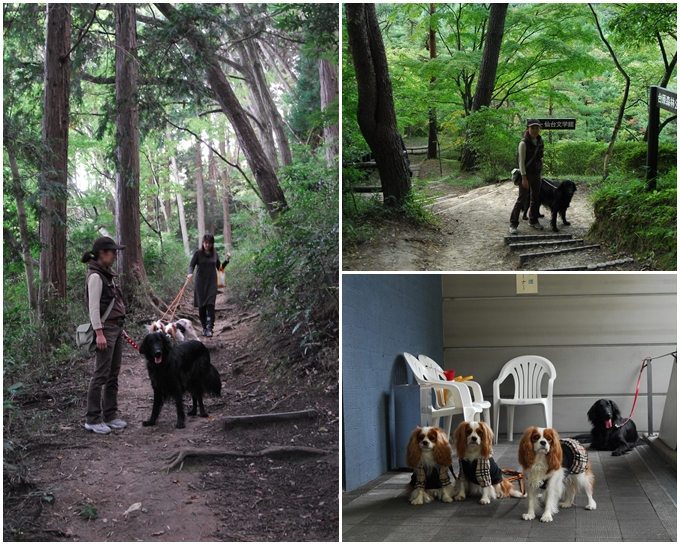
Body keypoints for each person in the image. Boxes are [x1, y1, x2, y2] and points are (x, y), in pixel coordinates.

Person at [81, 236, 128, 435]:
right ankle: (92, 419)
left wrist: (120, 327)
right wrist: (99, 332)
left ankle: (110, 415)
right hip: (105, 331)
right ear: (102, 253)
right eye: (113, 252)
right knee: (100, 374)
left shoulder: (107, 274)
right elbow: (93, 308)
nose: (115, 256)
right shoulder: (95, 276)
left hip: (115, 329)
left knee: (113, 375)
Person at [187, 234, 230, 338]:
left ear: (212, 244)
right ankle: (204, 328)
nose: (207, 245)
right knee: (201, 307)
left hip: (211, 283)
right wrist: (190, 273)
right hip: (200, 283)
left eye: (209, 243)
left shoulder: (215, 254)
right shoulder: (198, 253)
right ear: (203, 243)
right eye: (206, 243)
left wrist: (227, 260)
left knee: (210, 305)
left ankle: (210, 328)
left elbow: (220, 268)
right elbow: (191, 265)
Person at [509, 119, 544, 234]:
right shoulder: (523, 143)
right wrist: (524, 178)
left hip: (537, 174)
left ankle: (533, 220)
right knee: (522, 199)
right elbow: (521, 162)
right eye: (532, 128)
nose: (535, 130)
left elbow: (540, 158)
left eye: (537, 128)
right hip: (526, 175)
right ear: (527, 129)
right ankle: (513, 224)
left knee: (535, 199)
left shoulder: (539, 141)